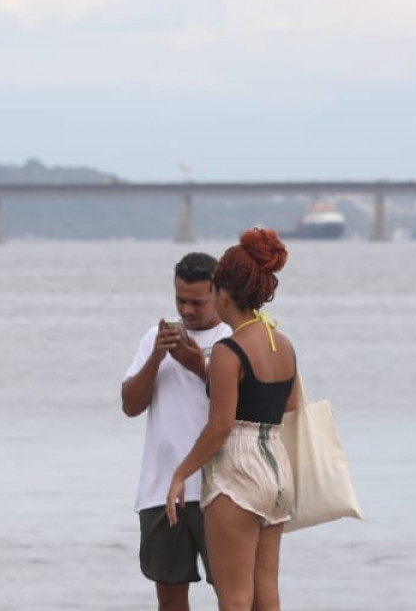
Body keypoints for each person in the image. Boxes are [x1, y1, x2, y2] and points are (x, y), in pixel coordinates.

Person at [163, 229, 297, 611]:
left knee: (235, 599)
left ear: (223, 293)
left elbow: (220, 425)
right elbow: (292, 405)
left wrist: (179, 474)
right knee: (266, 592)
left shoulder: (228, 350)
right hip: (277, 472)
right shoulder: (281, 342)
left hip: (237, 473)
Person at [122, 251, 231, 611]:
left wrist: (199, 367)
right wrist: (156, 357)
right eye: (179, 300)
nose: (186, 310)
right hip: (160, 489)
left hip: (222, 489)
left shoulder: (232, 338)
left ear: (220, 294)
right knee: (169, 595)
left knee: (233, 594)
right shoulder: (155, 337)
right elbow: (130, 405)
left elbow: (245, 408)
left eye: (197, 302)